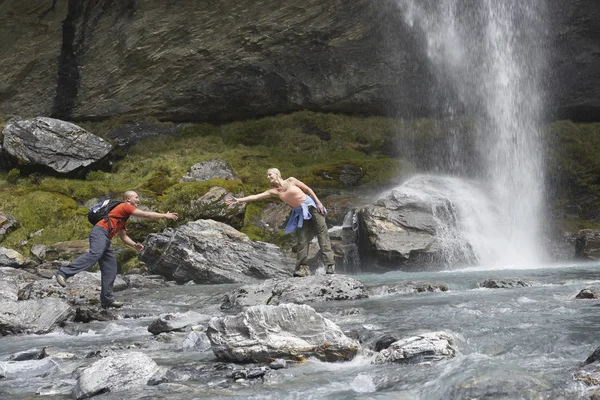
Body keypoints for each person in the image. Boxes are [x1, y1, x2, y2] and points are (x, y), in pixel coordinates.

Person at [54, 190, 178, 308]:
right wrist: (165, 215)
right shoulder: (125, 206)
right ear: (128, 199)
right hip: (99, 233)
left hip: (105, 238)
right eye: (136, 197)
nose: (138, 200)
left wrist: (135, 245)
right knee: (95, 254)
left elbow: (123, 237)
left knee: (111, 267)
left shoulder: (122, 217)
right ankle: (63, 272)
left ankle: (107, 299)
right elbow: (146, 214)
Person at [225, 168, 335, 277]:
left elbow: (308, 189)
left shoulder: (291, 181)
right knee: (302, 239)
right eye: (267, 176)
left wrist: (319, 202)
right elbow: (256, 197)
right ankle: (302, 268)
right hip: (301, 213)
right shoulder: (274, 191)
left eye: (270, 175)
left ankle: (330, 265)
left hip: (312, 207)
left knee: (322, 234)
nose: (268, 177)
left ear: (277, 174)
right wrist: (238, 200)